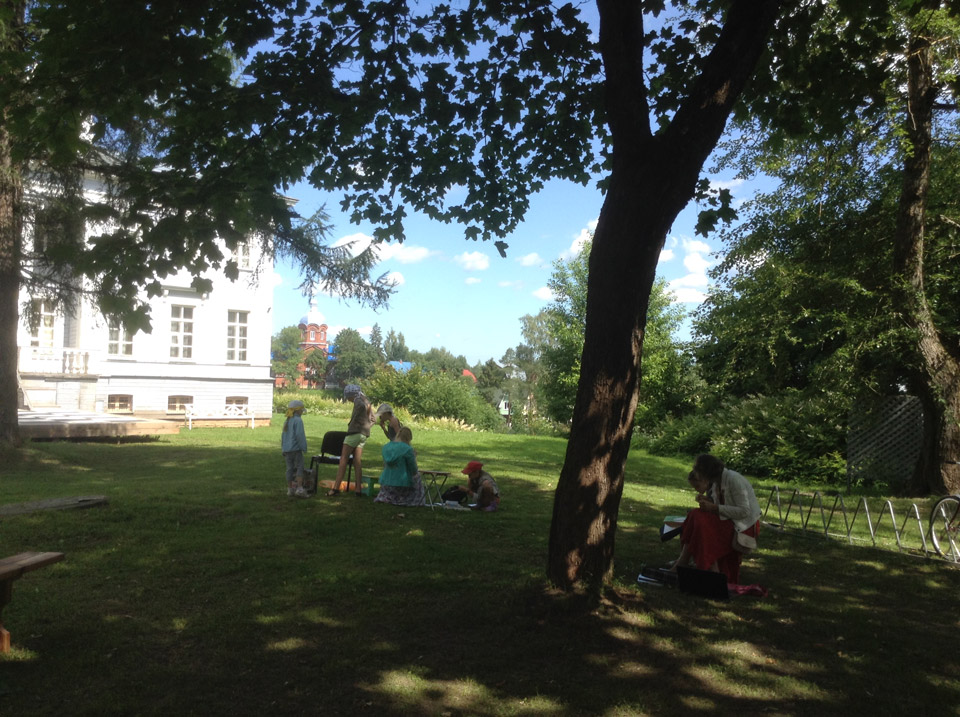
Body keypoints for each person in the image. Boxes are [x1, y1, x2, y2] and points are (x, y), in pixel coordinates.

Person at [668, 454, 761, 583]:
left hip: (743, 526)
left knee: (697, 518)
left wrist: (714, 508)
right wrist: (709, 501)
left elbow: (744, 511)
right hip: (729, 521)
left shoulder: (733, 480)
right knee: (695, 517)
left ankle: (687, 562)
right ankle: (704, 566)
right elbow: (722, 504)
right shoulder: (717, 482)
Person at [330, 384, 374, 497]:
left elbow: (360, 414)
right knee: (357, 461)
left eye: (347, 397)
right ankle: (358, 490)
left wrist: (354, 424)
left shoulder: (358, 402)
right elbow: (373, 419)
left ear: (350, 395)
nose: (348, 399)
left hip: (354, 433)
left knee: (343, 459)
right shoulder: (366, 400)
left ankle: (335, 488)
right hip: (364, 434)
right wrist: (367, 426)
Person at [374, 426, 425, 506]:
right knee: (417, 477)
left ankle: (386, 497)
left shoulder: (386, 447)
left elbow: (385, 465)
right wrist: (414, 457)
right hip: (401, 484)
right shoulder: (407, 449)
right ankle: (415, 500)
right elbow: (413, 470)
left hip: (386, 483)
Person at [281, 399, 309, 498]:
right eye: (301, 410)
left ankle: (290, 489)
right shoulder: (298, 420)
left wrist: (283, 448)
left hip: (287, 449)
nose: (302, 412)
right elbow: (299, 436)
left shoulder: (287, 421)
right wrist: (304, 447)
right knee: (299, 467)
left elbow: (283, 436)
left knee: (289, 468)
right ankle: (300, 488)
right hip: (296, 449)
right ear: (298, 411)